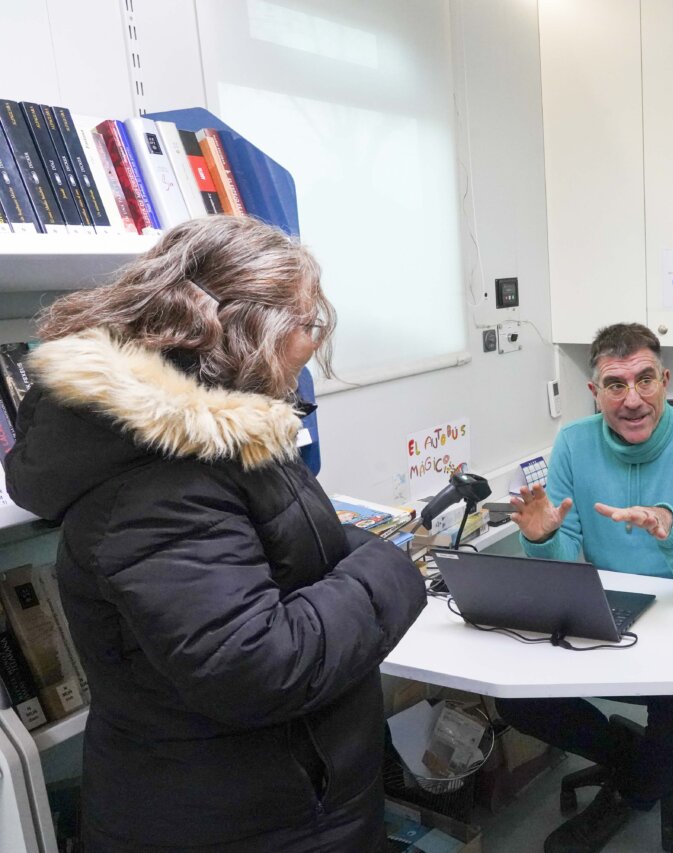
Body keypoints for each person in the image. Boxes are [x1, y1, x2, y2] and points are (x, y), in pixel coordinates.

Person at [4, 216, 428, 851]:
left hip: (272, 797)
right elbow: (259, 665)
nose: (312, 345)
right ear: (251, 333)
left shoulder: (214, 434)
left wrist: (356, 555)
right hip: (237, 820)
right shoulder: (160, 479)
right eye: (306, 325)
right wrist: (393, 568)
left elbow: (282, 550)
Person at [496, 322, 673, 853]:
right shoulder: (573, 444)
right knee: (516, 698)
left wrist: (669, 528)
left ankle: (630, 795)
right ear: (594, 392)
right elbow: (562, 563)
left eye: (645, 380)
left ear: (666, 380)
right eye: (615, 385)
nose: (633, 400)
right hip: (613, 617)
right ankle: (650, 766)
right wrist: (544, 539)